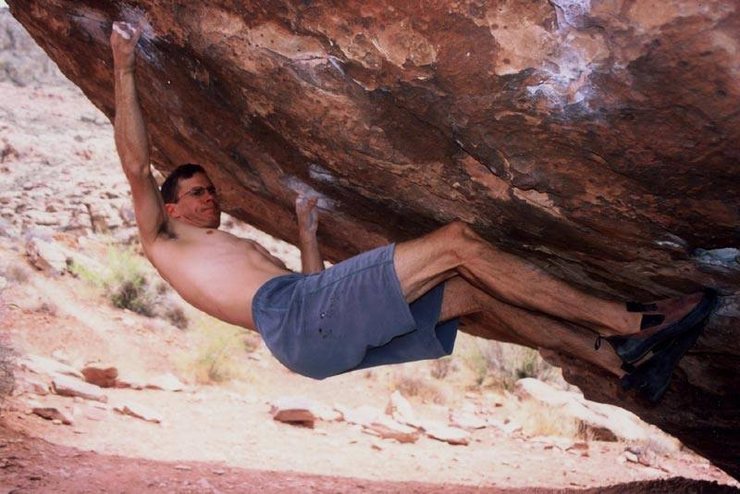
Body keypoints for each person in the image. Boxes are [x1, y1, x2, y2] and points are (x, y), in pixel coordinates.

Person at [110, 22, 715, 401]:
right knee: (456, 242)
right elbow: (136, 164)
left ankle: (614, 366)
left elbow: (315, 289)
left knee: (474, 295)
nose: (208, 197)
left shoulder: (228, 253)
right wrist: (123, 64)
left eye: (211, 189)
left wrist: (305, 230)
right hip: (295, 323)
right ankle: (628, 323)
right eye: (195, 192)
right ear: (169, 208)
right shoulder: (163, 241)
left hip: (309, 337)